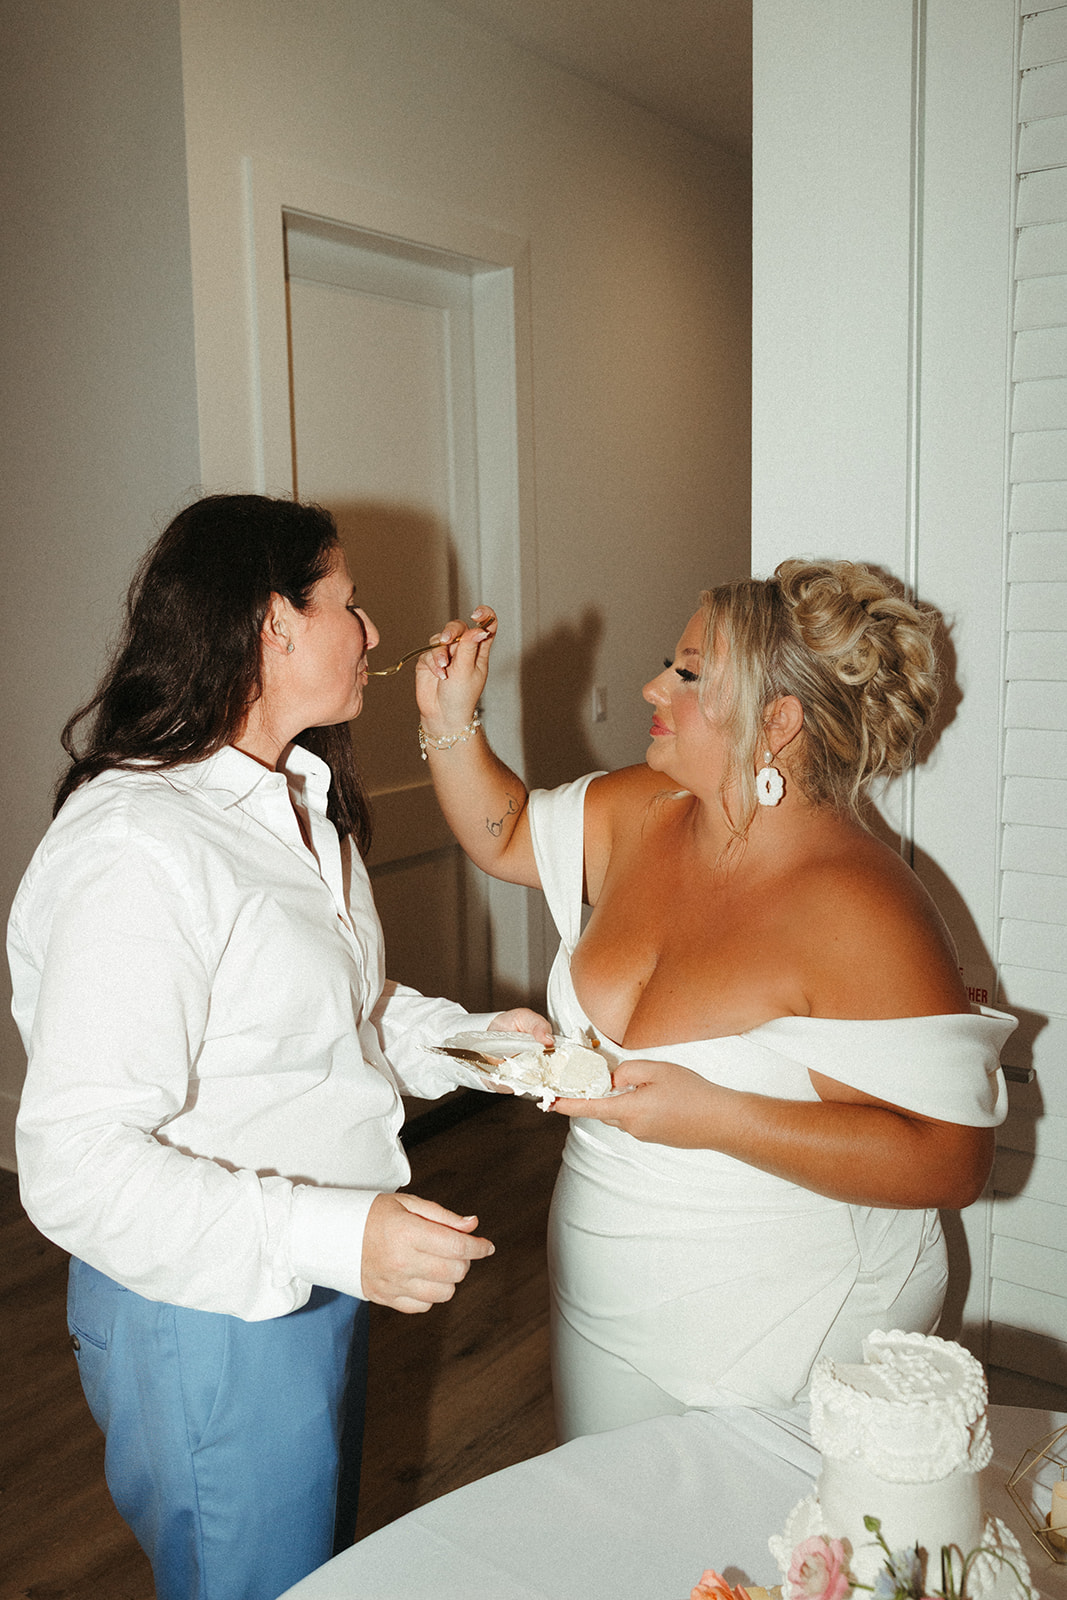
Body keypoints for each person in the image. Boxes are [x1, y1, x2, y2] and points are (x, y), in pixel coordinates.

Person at [7, 493, 551, 1600]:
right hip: (201, 1314)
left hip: (309, 1273)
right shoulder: (138, 847)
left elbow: (333, 1013)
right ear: (272, 623)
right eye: (348, 605)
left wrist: (474, 1041)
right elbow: (75, 1161)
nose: (371, 634)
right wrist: (338, 1234)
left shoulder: (297, 796)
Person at [414, 558, 1016, 1443]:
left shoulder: (862, 907)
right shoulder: (646, 810)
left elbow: (951, 1162)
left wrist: (717, 1116)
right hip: (603, 1284)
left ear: (778, 721)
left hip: (793, 1322)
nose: (654, 684)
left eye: (689, 674)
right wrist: (447, 717)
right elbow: (503, 831)